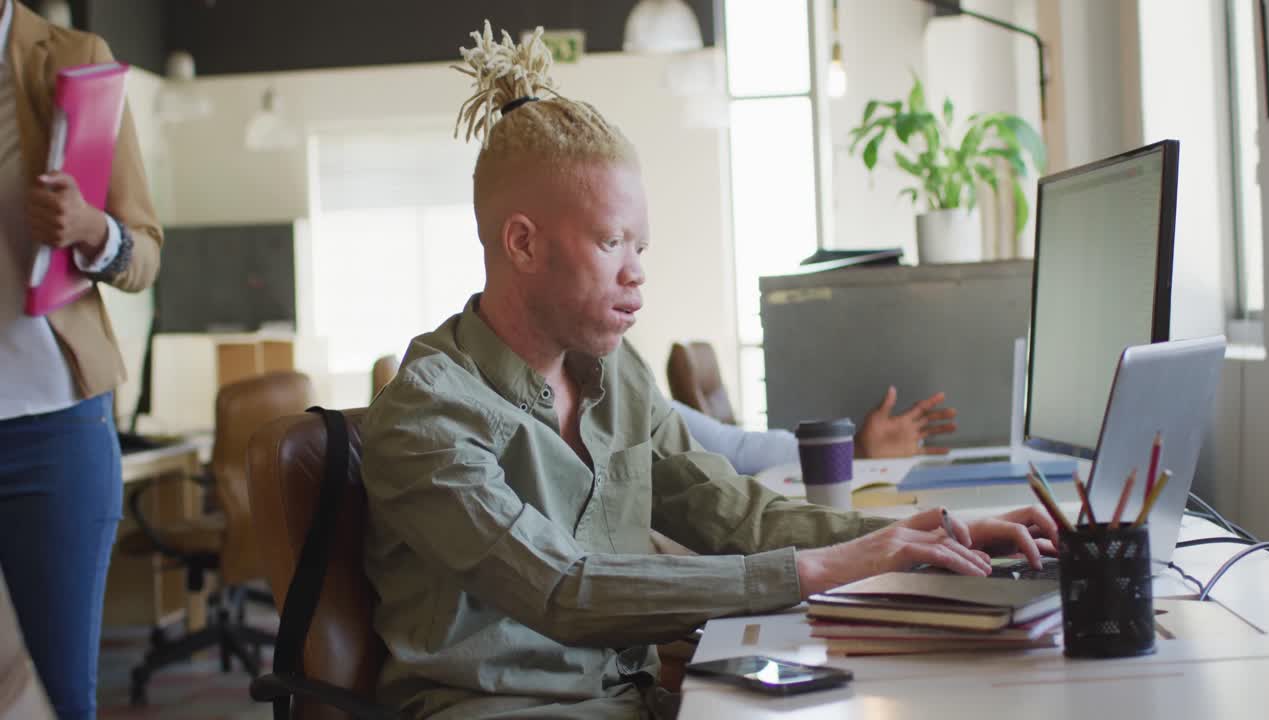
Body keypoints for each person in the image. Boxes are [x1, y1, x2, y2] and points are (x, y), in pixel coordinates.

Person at [361, 23, 1056, 719]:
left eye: (641, 244)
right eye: (610, 242)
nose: (637, 274)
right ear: (522, 243)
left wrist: (935, 534)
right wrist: (815, 570)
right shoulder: (426, 416)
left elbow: (735, 516)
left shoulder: (618, 377)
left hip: (636, 699)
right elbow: (562, 590)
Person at [0, 3, 163, 719]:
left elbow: (146, 251)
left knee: (60, 697)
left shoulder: (70, 56)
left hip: (53, 434)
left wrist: (94, 230)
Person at [672, 385, 958, 475]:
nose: (636, 275)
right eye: (623, 240)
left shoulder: (636, 386)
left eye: (641, 249)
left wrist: (854, 452)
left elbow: (733, 449)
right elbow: (736, 452)